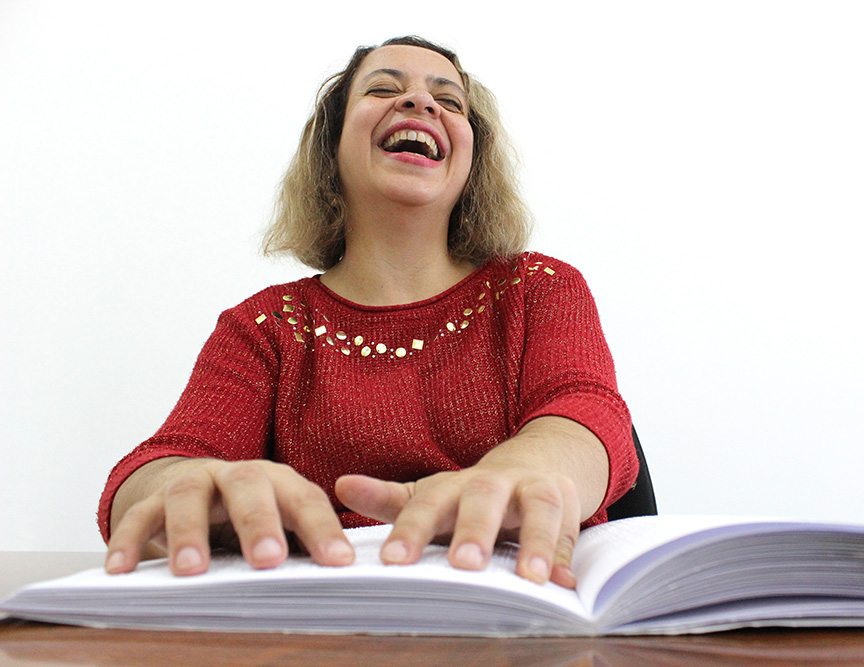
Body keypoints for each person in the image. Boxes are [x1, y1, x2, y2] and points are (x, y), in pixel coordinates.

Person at [99, 36, 637, 590]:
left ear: (473, 159)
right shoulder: (264, 327)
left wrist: (513, 477)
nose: (420, 103)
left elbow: (588, 416)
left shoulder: (539, 288)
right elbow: (154, 472)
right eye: (383, 89)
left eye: (449, 101)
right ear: (331, 145)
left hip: (521, 602)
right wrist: (189, 487)